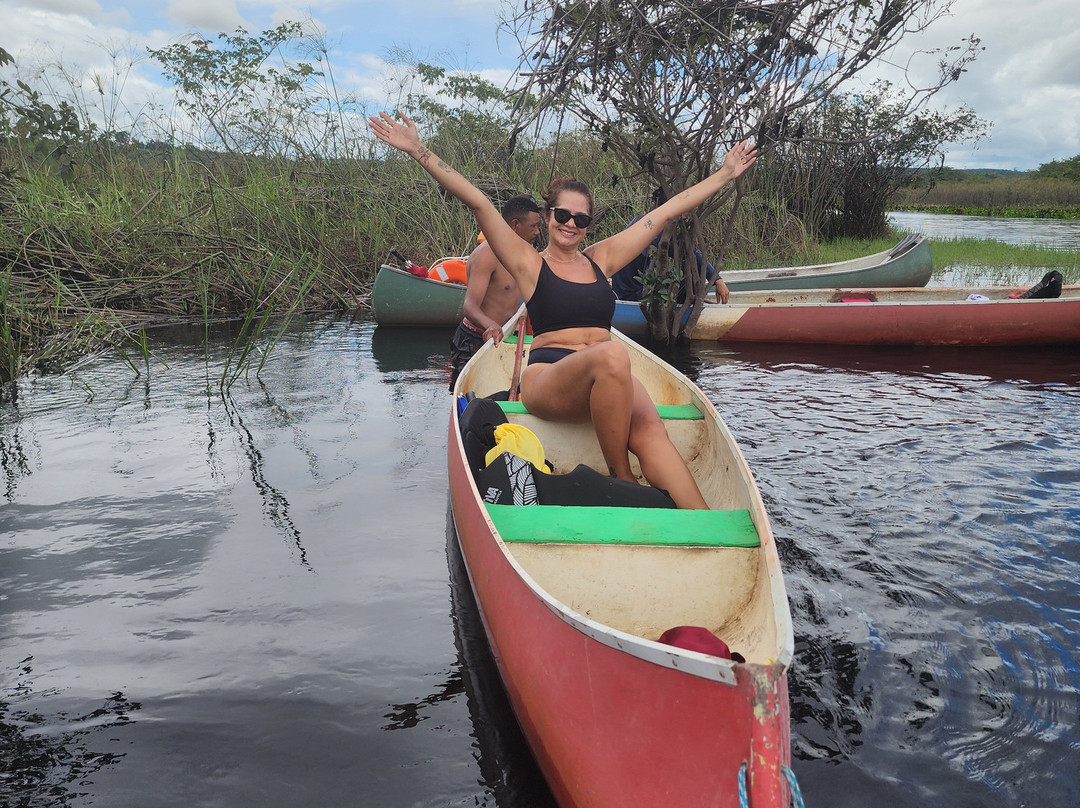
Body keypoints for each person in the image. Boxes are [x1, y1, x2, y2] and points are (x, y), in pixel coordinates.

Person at [369, 111, 756, 509]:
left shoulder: (600, 259)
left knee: (648, 427)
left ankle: (700, 519)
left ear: (588, 224)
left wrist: (725, 173)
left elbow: (667, 212)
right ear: (549, 214)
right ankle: (620, 477)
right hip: (549, 378)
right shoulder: (529, 264)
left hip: (608, 375)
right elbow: (478, 202)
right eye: (563, 215)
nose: (571, 224)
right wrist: (418, 150)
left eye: (581, 218)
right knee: (610, 355)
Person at [449, 193, 542, 390]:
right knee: (467, 398)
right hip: (474, 338)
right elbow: (469, 306)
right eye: (533, 227)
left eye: (539, 226)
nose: (537, 232)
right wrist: (490, 325)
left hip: (504, 337)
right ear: (515, 225)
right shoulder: (487, 255)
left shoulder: (525, 254)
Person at [611, 215, 731, 304]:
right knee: (694, 273)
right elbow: (690, 254)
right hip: (635, 295)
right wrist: (718, 280)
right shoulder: (658, 233)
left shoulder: (640, 222)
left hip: (621, 292)